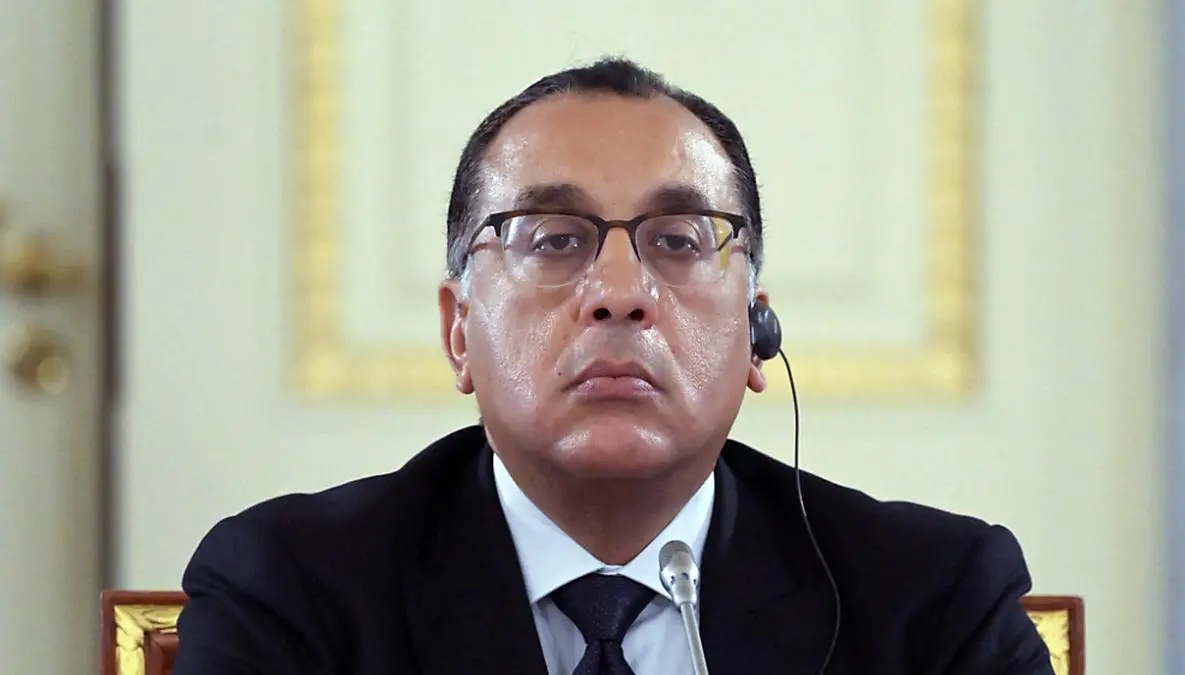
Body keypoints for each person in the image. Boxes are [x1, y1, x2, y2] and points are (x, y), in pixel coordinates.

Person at [172, 57, 1054, 675]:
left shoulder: (930, 597)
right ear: (459, 329)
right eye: (553, 239)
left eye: (680, 240)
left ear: (756, 328)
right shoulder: (291, 588)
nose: (621, 292)